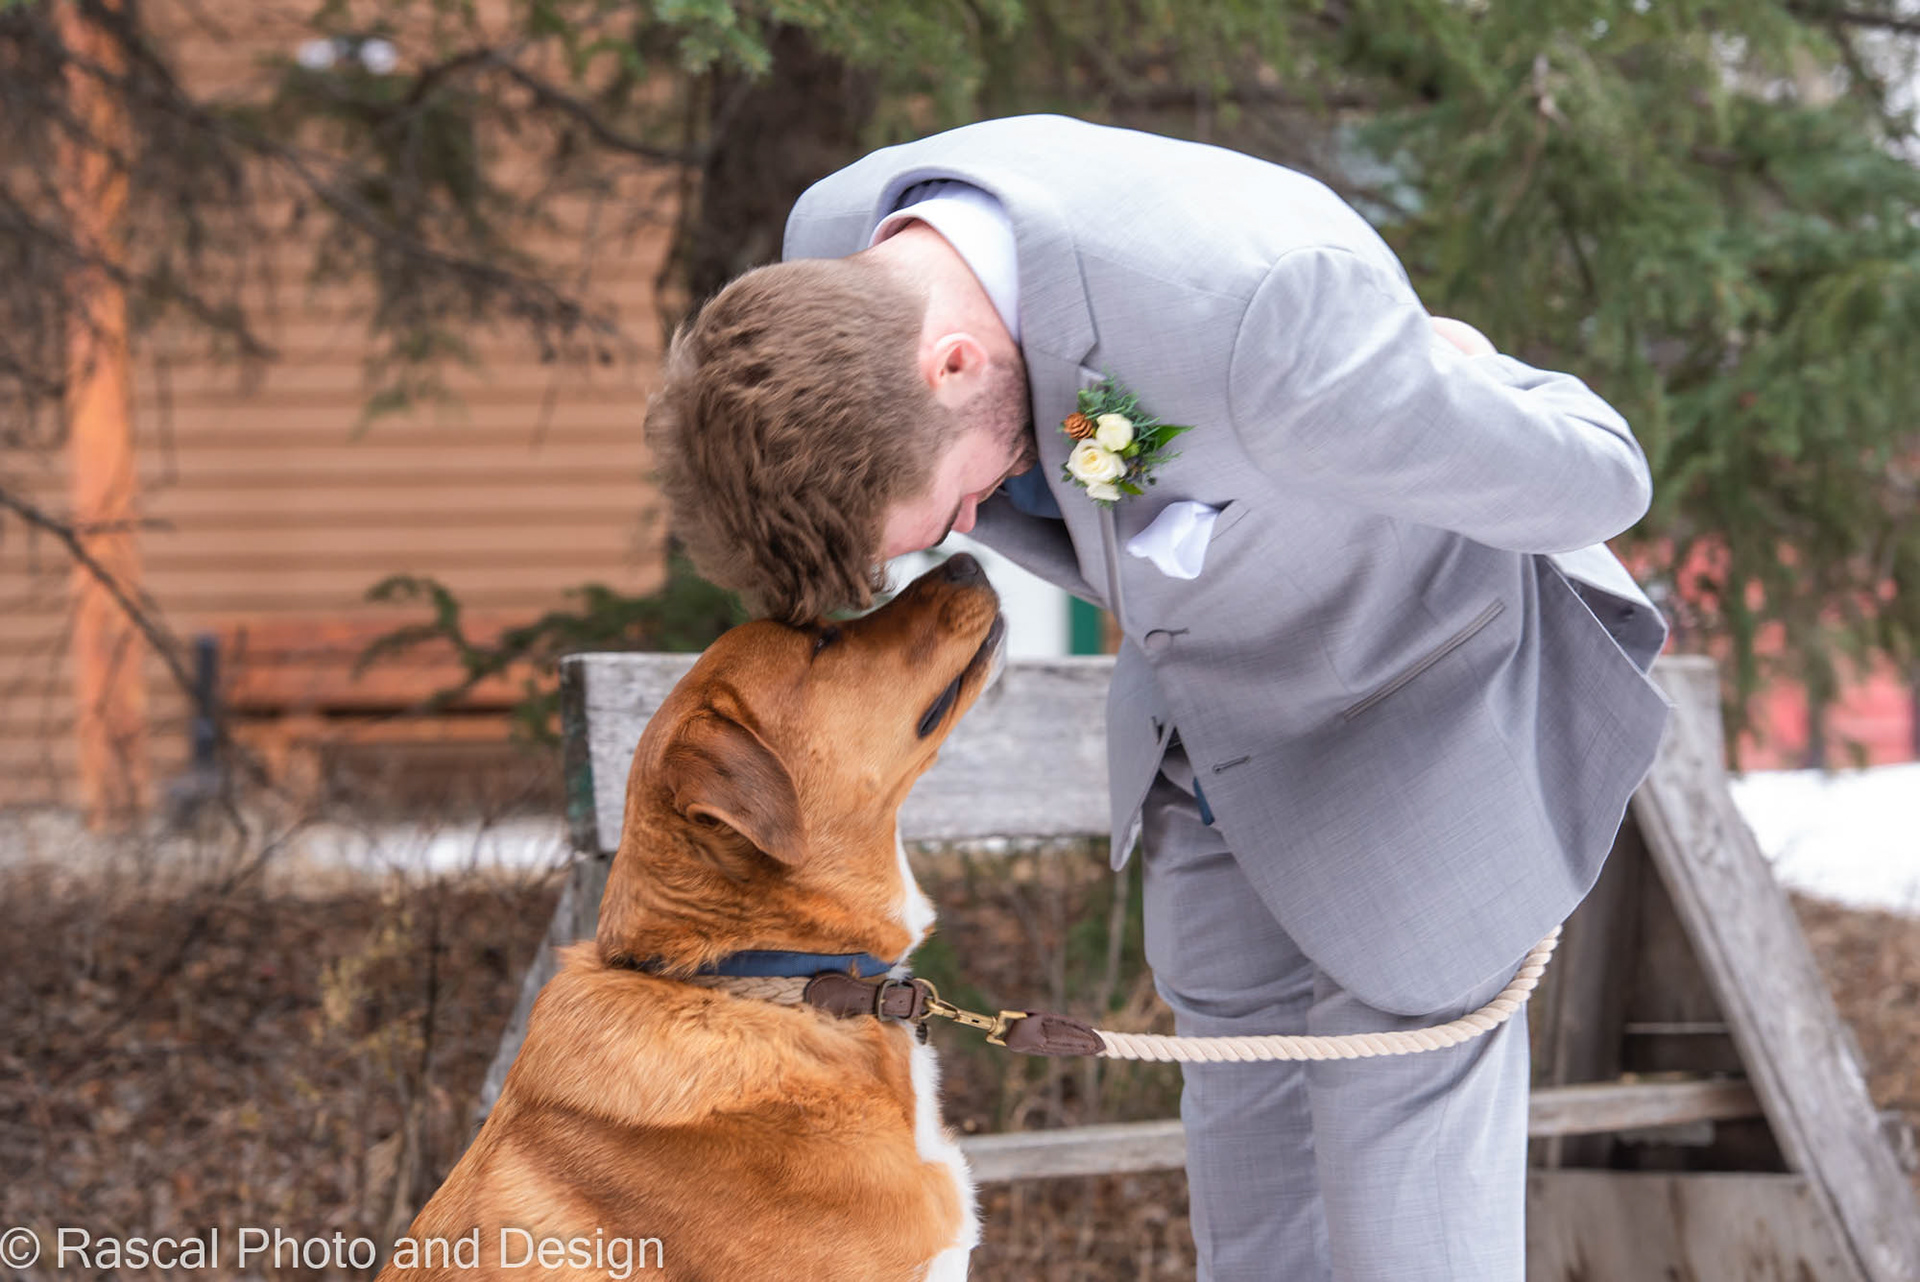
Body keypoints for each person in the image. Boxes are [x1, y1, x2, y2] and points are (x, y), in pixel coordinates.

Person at [644, 114, 1672, 1282]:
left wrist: (1454, 372)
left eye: (942, 514)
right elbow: (1080, 515)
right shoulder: (839, 251)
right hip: (1207, 765)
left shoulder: (1267, 317)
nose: (971, 529)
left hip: (1411, 746)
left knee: (1409, 1249)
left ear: (953, 364)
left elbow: (1602, 476)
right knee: (1256, 1239)